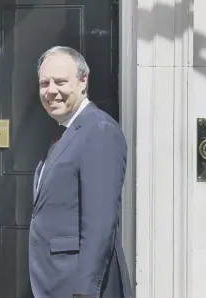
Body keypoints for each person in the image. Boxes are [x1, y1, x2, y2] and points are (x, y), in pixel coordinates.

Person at [29, 46, 132, 298]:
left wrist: (85, 292)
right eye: (44, 83)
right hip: (56, 281)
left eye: (61, 82)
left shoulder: (99, 130)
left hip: (79, 288)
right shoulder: (68, 132)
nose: (51, 91)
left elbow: (99, 224)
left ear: (83, 81)